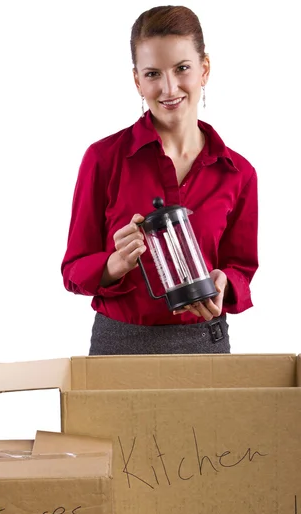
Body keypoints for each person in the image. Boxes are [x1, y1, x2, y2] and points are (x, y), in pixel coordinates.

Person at [61, 5, 258, 356]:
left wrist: (225, 284)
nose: (169, 87)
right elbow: (73, 269)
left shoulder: (238, 173)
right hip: (119, 345)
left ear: (204, 70)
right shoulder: (103, 159)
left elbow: (240, 267)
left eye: (182, 68)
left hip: (205, 343)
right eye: (153, 73)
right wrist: (114, 264)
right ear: (137, 80)